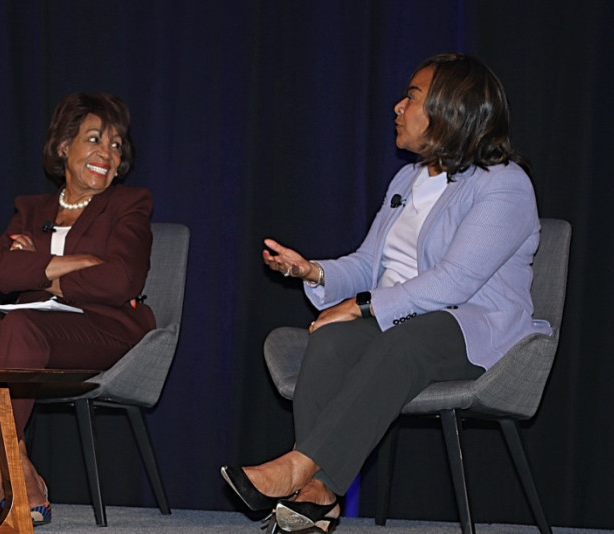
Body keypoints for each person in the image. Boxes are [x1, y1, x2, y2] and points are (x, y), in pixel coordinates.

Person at [222, 53, 548, 533]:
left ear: (449, 108)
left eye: (411, 98)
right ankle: (318, 498)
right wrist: (312, 272)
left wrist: (359, 306)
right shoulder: (407, 181)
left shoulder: (504, 186)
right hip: (401, 324)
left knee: (407, 338)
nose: (397, 107)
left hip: (475, 329)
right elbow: (370, 264)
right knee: (328, 341)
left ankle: (299, 469)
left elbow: (456, 281)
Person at [0, 92, 156, 530]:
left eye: (116, 145)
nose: (107, 153)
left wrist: (39, 265)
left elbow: (122, 280)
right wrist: (75, 264)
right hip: (38, 327)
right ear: (65, 147)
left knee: (21, 324)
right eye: (95, 139)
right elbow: (3, 272)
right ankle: (18, 466)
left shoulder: (129, 204)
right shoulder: (32, 209)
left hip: (106, 330)